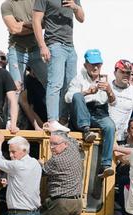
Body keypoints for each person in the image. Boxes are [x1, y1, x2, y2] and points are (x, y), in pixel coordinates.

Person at [33, 0, 85, 133]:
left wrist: (74, 6)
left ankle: (63, 119)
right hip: (54, 43)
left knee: (70, 85)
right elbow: (36, 21)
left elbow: (81, 18)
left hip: (70, 46)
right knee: (55, 83)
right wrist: (42, 46)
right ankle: (52, 120)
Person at [65, 48, 115, 177]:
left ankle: (105, 165)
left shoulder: (105, 80)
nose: (95, 67)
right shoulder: (78, 79)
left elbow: (113, 102)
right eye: (92, 64)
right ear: (85, 65)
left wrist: (109, 91)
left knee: (110, 126)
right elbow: (68, 97)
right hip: (83, 112)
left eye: (98, 64)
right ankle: (86, 130)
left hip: (100, 112)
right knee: (77, 96)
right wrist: (87, 92)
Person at [1, 0, 47, 91]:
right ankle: (12, 105)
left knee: (50, 83)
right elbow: (14, 29)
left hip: (36, 48)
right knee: (16, 87)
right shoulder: (7, 5)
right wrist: (35, 24)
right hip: (17, 49)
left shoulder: (35, 2)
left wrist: (22, 24)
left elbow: (45, 22)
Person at [108, 59, 133, 145]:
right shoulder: (107, 86)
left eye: (128, 73)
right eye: (122, 72)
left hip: (121, 138)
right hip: (104, 135)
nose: (126, 75)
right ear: (115, 73)